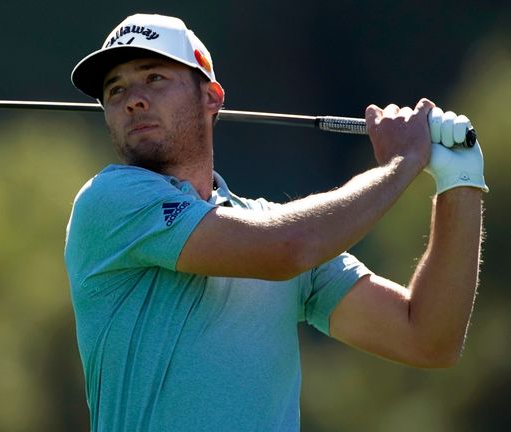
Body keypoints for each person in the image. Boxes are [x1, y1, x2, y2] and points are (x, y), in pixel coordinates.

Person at [64, 13, 487, 431]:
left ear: (211, 96)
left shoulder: (267, 224)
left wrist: (460, 182)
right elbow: (290, 247)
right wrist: (401, 162)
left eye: (154, 78)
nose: (132, 99)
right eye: (115, 90)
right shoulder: (110, 201)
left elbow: (428, 338)